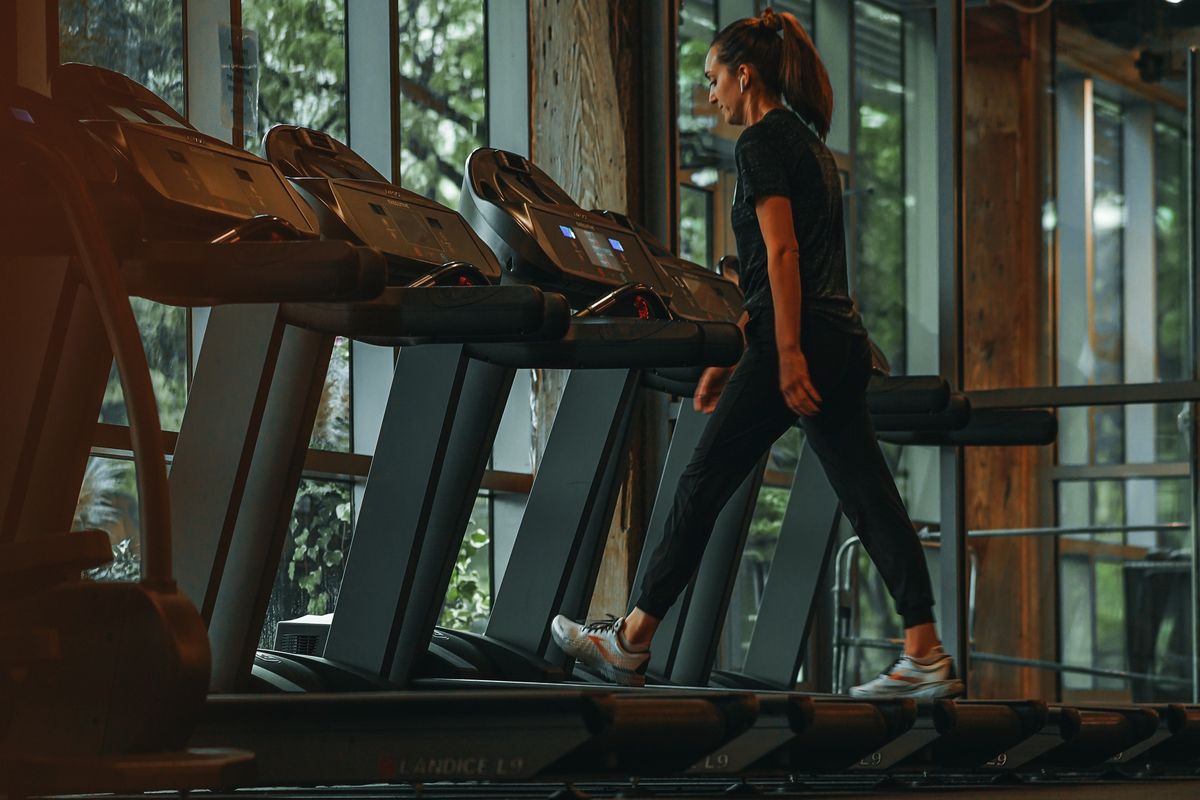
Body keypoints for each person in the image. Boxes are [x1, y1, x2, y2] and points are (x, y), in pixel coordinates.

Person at [551, 7, 962, 699]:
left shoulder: (762, 143)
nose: (710, 95)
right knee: (868, 495)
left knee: (702, 481)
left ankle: (630, 640)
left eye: (714, 79)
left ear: (745, 75)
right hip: (836, 339)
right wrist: (736, 349)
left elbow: (782, 252)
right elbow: (778, 277)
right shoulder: (809, 146)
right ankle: (924, 652)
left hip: (800, 342)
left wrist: (787, 354)